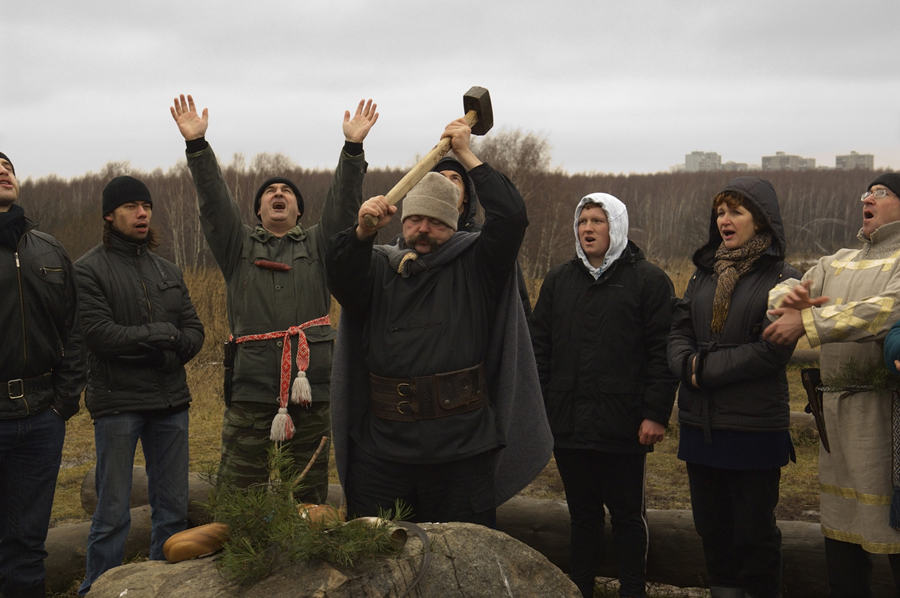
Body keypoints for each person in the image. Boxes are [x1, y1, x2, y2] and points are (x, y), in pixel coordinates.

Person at [327, 119, 552, 525]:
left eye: (436, 221)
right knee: (377, 564)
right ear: (402, 221)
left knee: (462, 569)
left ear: (454, 222)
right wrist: (360, 233)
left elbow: (512, 217)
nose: (423, 229)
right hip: (383, 451)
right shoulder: (377, 267)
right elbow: (340, 273)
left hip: (462, 450)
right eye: (415, 220)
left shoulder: (477, 264)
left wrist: (466, 154)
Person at [170, 94, 378, 503]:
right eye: (270, 192)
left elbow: (342, 204)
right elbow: (214, 204)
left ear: (299, 210)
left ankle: (305, 562)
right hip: (250, 388)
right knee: (239, 494)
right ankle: (241, 559)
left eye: (287, 192)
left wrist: (352, 149)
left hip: (309, 390)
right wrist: (197, 146)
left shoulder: (321, 244)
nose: (278, 194)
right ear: (258, 209)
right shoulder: (238, 246)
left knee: (307, 492)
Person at [531, 193, 677, 598]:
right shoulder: (559, 280)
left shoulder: (648, 281)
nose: (588, 228)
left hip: (625, 424)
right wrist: (544, 408)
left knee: (628, 516)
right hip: (569, 422)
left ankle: (633, 590)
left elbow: (662, 355)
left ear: (617, 227)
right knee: (582, 516)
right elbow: (539, 349)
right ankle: (580, 588)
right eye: (583, 221)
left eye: (598, 220)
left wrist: (655, 414)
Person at [764, 172, 900, 596]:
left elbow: (882, 311)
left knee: (895, 534)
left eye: (880, 192)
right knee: (840, 538)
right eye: (866, 192)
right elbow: (786, 287)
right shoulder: (838, 259)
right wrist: (788, 301)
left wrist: (808, 319)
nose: (868, 197)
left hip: (885, 418)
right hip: (835, 423)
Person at [668, 177, 798, 598]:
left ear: (760, 222)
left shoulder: (783, 276)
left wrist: (702, 368)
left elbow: (771, 350)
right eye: (720, 212)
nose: (725, 220)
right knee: (714, 535)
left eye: (736, 212)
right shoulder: (704, 272)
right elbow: (678, 330)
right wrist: (685, 363)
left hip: (753, 429)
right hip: (700, 425)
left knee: (754, 538)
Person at [74, 176, 205, 595]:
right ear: (109, 216)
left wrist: (160, 342)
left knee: (172, 510)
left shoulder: (167, 269)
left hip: (171, 403)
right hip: (118, 404)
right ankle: (100, 588)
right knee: (112, 513)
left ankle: (162, 586)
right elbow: (100, 335)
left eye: (145, 205)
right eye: (131, 206)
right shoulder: (87, 269)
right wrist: (163, 339)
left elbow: (194, 333)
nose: (142, 213)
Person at [0, 151, 86, 598]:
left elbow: (74, 330)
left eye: (8, 166)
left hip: (40, 417)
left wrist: (62, 403)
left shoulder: (49, 249)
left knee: (28, 543)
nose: (2, 170)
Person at [431, 156, 533, 322]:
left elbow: (510, 215)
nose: (447, 184)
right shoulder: (413, 241)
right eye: (440, 178)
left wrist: (464, 152)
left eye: (455, 178)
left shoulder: (482, 242)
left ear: (466, 196)